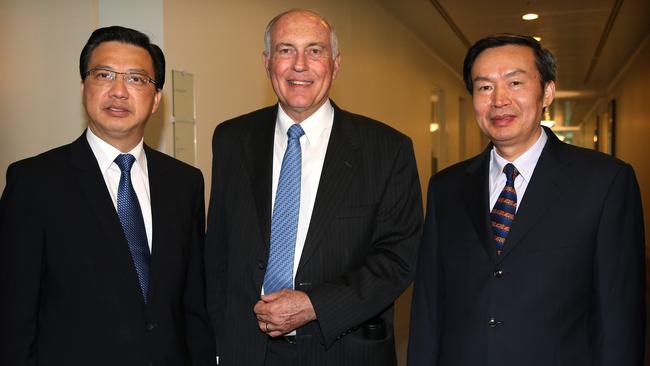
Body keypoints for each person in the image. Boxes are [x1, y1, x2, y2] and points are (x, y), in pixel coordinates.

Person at [408, 34, 645, 366]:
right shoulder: (445, 187)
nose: (499, 100)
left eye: (515, 82)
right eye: (484, 87)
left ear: (547, 91)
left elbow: (620, 314)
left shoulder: (605, 182)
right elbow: (429, 307)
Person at [204, 9, 422, 366]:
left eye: (315, 51)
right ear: (267, 62)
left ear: (335, 64)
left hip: (342, 349)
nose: (299, 65)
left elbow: (399, 257)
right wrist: (217, 343)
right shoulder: (231, 139)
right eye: (286, 50)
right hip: (246, 350)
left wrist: (314, 305)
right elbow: (218, 253)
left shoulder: (386, 149)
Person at [0, 26, 215, 366]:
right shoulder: (34, 182)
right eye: (104, 75)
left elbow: (193, 307)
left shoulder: (185, 183)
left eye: (135, 79)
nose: (118, 92)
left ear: (156, 97)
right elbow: (13, 317)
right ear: (84, 87)